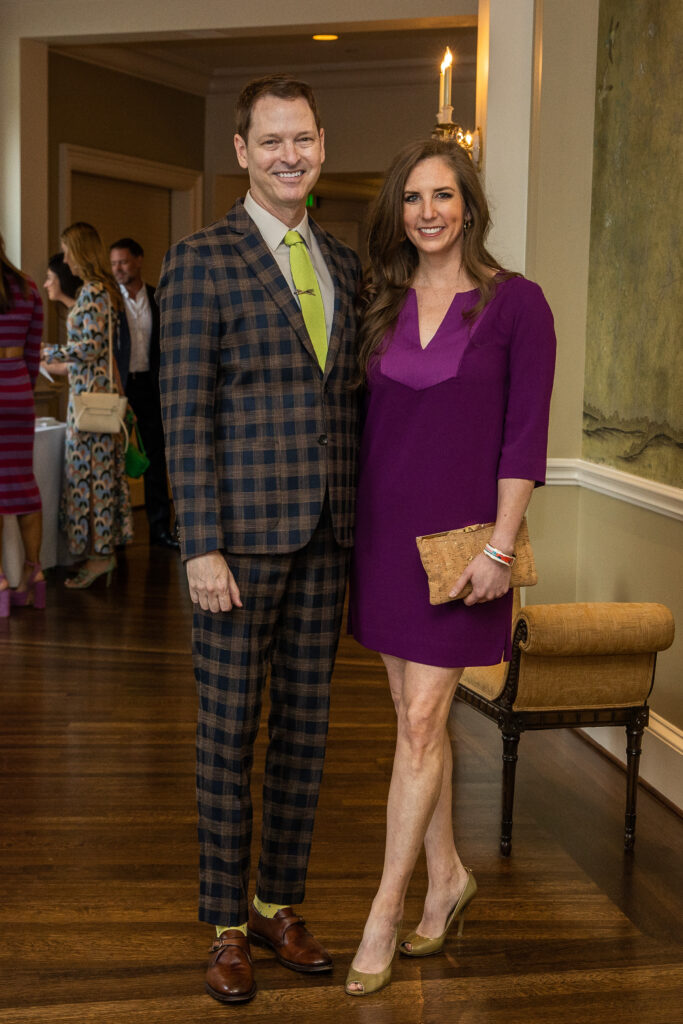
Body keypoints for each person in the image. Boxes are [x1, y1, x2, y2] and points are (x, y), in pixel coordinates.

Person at [157, 73, 361, 1005]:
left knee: (306, 738)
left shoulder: (348, 265)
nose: (290, 155)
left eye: (304, 139)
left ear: (322, 145)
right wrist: (199, 544)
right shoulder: (200, 260)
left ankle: (279, 903)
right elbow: (181, 414)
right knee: (227, 738)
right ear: (241, 150)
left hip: (327, 540)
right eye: (271, 140)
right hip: (234, 550)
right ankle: (226, 926)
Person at [345, 138, 556, 996]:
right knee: (407, 715)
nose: (427, 212)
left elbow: (523, 437)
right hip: (386, 537)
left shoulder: (516, 306)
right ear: (396, 212)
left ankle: (383, 915)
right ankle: (448, 877)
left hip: (465, 549)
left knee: (424, 723)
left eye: (442, 195)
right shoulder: (380, 300)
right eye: (410, 199)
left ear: (469, 204)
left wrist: (502, 549)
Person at [42, 222, 133, 588]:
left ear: (80, 251)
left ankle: (100, 558)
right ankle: (98, 555)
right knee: (92, 477)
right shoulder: (97, 292)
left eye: (67, 251)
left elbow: (90, 348)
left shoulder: (95, 292)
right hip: (88, 398)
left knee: (91, 481)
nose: (65, 259)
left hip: (91, 405)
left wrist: (45, 351)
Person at [109, 237, 179, 551]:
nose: (118, 269)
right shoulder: (109, 299)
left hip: (150, 387)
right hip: (118, 388)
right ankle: (114, 534)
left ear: (138, 260)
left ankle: (160, 529)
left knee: (154, 458)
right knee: (113, 459)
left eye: (123, 262)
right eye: (113, 264)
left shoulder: (157, 296)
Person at [0, 234, 45, 616]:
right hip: (17, 389)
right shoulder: (27, 286)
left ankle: (0, 581)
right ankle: (34, 575)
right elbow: (34, 351)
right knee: (25, 486)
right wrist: (21, 390)